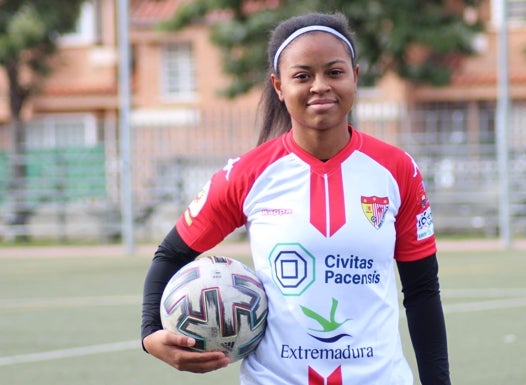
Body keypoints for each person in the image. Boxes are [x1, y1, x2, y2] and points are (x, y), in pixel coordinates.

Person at [141, 11, 451, 385]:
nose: (320, 85)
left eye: (334, 72)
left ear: (356, 75)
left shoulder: (397, 170)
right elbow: (171, 254)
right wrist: (149, 333)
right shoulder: (248, 174)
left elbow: (421, 292)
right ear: (279, 86)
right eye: (302, 75)